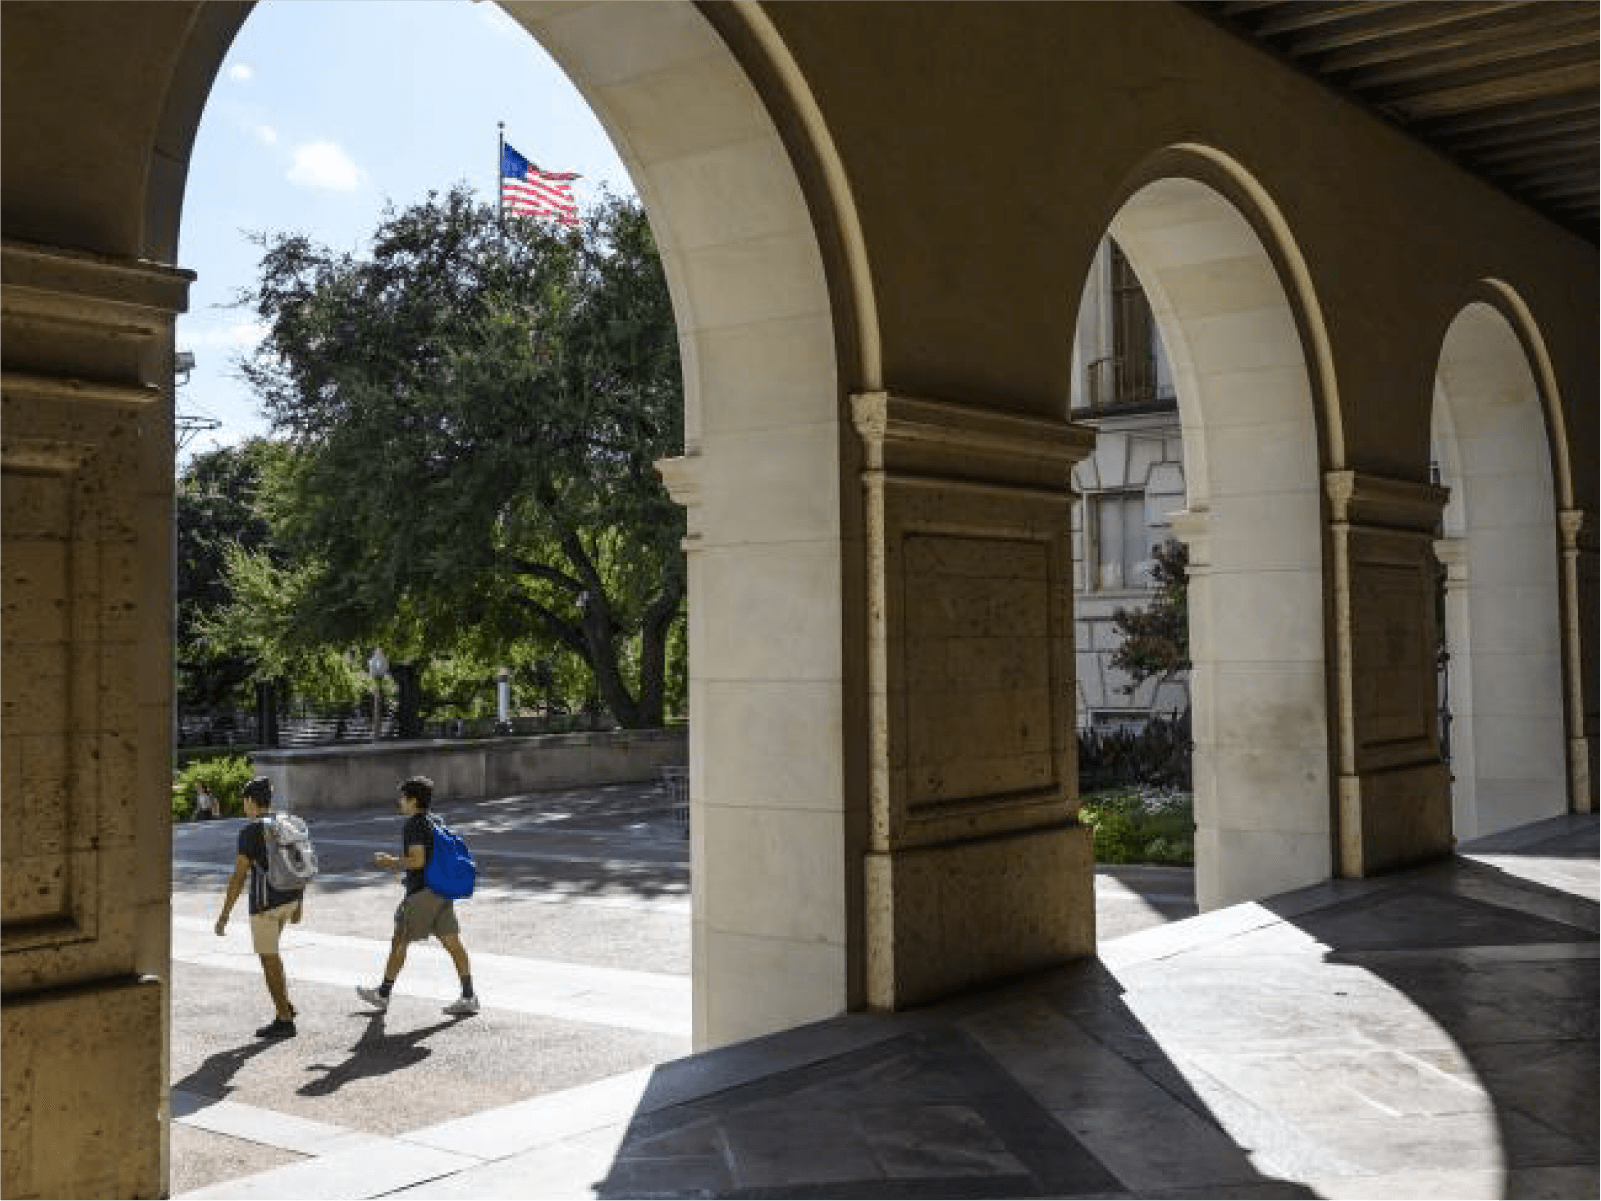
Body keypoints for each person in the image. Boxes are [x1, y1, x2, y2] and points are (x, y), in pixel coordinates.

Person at [357, 775, 479, 1015]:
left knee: (400, 940)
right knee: (453, 942)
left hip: (422, 893)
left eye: (402, 798)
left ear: (413, 800)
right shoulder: (435, 821)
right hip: (442, 891)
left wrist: (389, 861)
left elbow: (417, 860)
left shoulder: (414, 825)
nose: (400, 802)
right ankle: (469, 995)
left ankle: (383, 994)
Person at [215, 776, 303, 1038]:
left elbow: (239, 876)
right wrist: (300, 904)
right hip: (289, 898)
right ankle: (285, 1004)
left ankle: (284, 1019)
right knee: (272, 954)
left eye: (245, 802)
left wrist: (224, 915)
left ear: (251, 802)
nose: (244, 807)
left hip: (265, 903)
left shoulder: (251, 831)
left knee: (268, 958)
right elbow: (301, 863)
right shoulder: (286, 823)